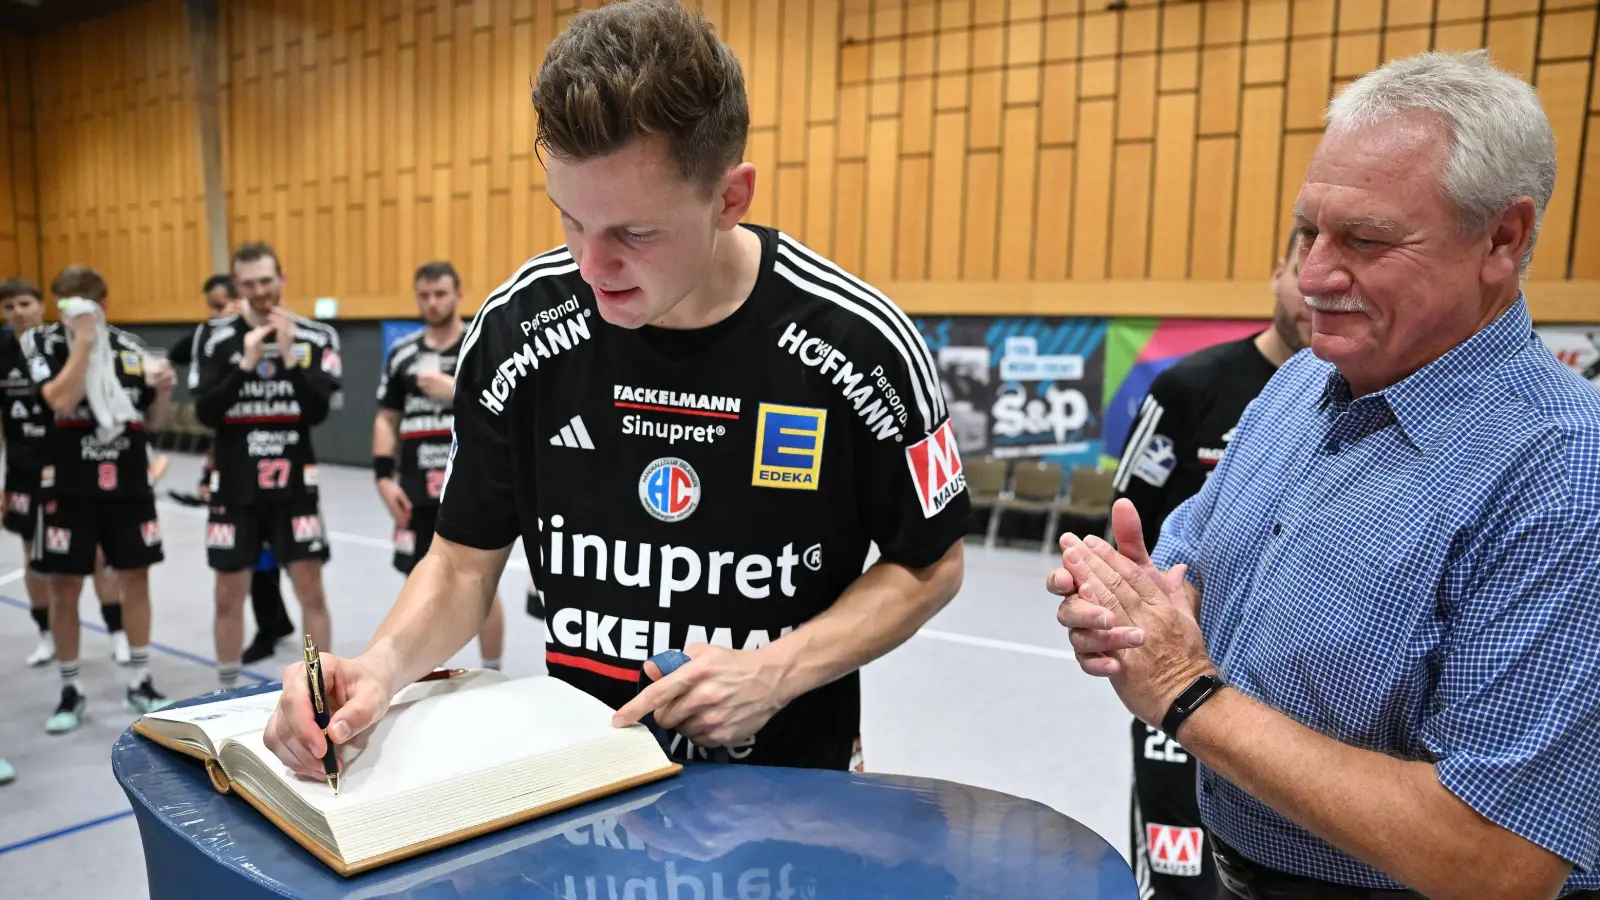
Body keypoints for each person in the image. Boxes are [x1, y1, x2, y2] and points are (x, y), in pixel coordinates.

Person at [260, 0, 968, 780]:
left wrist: (778, 670)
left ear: (730, 198)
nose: (593, 268)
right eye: (571, 220)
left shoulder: (860, 344)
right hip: (588, 779)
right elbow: (462, 563)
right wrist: (381, 666)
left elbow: (930, 563)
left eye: (635, 232)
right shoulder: (517, 330)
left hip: (792, 784)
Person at [1050, 50, 1600, 900]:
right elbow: (1190, 565)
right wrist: (1130, 606)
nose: (1313, 278)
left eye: (1366, 240)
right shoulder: (1303, 382)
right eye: (1309, 232)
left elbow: (1498, 859)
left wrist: (1188, 695)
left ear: (1503, 238)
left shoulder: (1562, 473)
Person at [1112, 231, 1310, 900]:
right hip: (1182, 680)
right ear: (1278, 273)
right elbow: (1128, 520)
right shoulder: (1189, 387)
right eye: (1304, 265)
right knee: (1179, 875)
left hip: (1291, 702)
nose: (1318, 290)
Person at [25, 264, 177, 731]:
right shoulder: (42, 343)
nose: (75, 313)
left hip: (127, 483)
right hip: (68, 483)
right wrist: (84, 342)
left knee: (136, 577)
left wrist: (163, 393)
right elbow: (60, 400)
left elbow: (154, 422)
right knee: (65, 585)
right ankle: (71, 688)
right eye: (66, 305)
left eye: (85, 304)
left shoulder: (130, 348)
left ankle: (141, 679)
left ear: (103, 305)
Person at [191, 242, 340, 688]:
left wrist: (289, 357)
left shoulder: (317, 337)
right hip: (234, 488)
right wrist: (245, 365)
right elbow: (206, 413)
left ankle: (318, 688)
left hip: (295, 488)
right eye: (249, 284)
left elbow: (317, 411)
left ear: (282, 278)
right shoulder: (213, 338)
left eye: (266, 281)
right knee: (227, 594)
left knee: (310, 589)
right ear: (238, 286)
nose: (259, 291)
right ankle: (226, 691)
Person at [373, 261, 505, 669]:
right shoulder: (403, 352)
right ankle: (422, 670)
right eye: (425, 295)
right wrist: (383, 478)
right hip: (416, 488)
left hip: (471, 485)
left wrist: (457, 391)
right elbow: (387, 418)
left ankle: (493, 672)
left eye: (441, 294)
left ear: (458, 294)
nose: (432, 303)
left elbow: (507, 411)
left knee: (482, 583)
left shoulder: (482, 343)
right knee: (418, 583)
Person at [173, 273, 298, 662]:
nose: (217, 312)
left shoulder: (276, 331)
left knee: (270, 557)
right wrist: (216, 323)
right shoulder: (215, 338)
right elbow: (180, 353)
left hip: (276, 458)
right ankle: (273, 623)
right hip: (233, 456)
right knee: (249, 557)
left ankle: (272, 625)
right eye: (211, 306)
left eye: (222, 304)